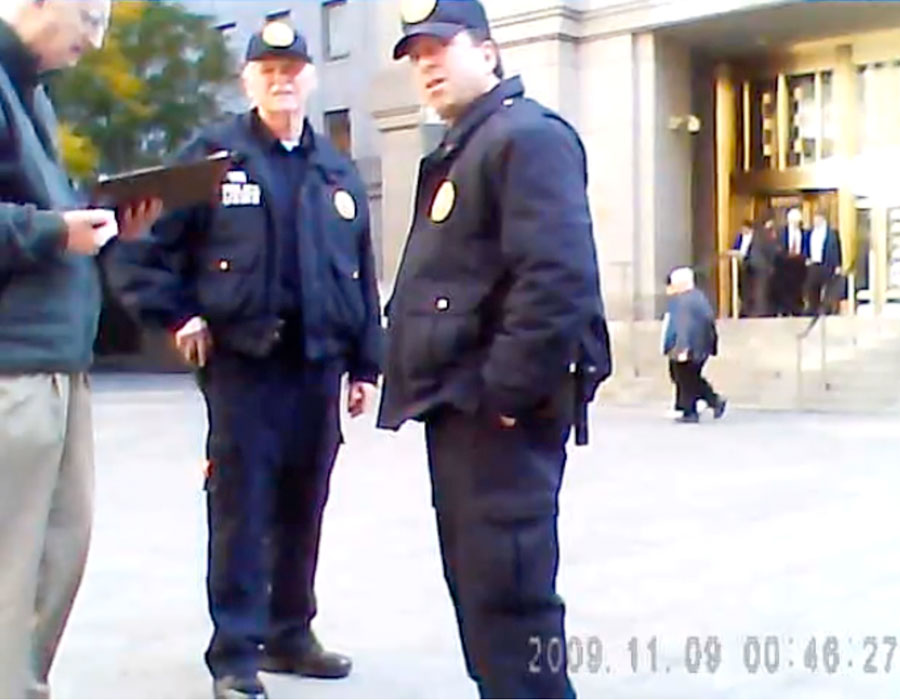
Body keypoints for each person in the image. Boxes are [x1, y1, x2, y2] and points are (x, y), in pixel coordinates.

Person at [114, 21, 381, 700]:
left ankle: (291, 632)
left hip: (318, 366)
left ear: (310, 79)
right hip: (244, 368)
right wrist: (179, 313)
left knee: (303, 506)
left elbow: (359, 271)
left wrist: (365, 365)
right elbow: (139, 241)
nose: (281, 79)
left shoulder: (335, 168)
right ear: (248, 81)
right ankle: (234, 652)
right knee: (242, 508)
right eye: (268, 70)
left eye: (292, 69)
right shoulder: (211, 158)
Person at [378, 0, 611, 696]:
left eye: (439, 49)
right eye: (415, 56)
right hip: (462, 414)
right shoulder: (468, 145)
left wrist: (506, 396)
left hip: (494, 420)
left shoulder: (526, 138)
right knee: (485, 601)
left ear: (487, 52)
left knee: (512, 606)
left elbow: (556, 278)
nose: (426, 67)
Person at [0, 2, 160, 697]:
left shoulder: (29, 93)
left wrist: (101, 223)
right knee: (13, 569)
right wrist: (51, 231)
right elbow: (31, 225)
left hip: (61, 363)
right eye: (89, 17)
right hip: (14, 367)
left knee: (55, 558)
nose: (94, 41)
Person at [662, 267, 726, 423]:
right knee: (688, 377)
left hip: (691, 346)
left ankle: (695, 409)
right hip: (699, 346)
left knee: (686, 378)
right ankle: (704, 403)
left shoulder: (685, 301)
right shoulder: (697, 298)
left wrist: (682, 348)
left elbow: (684, 326)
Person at [803, 211, 842, 315]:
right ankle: (813, 309)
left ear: (822, 219)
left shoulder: (831, 233)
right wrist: (807, 258)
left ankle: (827, 309)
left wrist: (838, 264)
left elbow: (836, 249)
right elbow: (806, 247)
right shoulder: (810, 233)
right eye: (814, 219)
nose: (815, 221)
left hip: (827, 264)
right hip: (813, 264)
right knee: (812, 287)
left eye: (817, 219)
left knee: (829, 288)